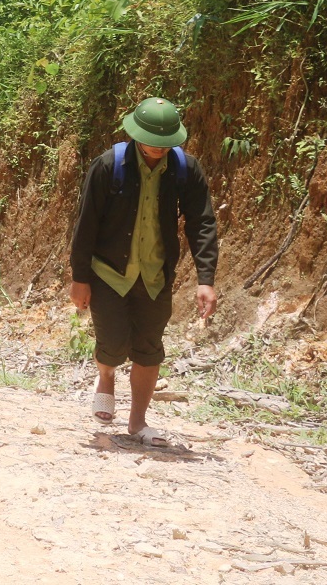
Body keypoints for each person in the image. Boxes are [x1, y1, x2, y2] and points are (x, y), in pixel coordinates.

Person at [68, 97, 220, 447]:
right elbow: (86, 223)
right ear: (135, 135)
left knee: (149, 348)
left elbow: (202, 223)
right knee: (112, 342)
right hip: (109, 272)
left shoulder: (186, 169)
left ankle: (138, 422)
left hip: (155, 276)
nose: (160, 150)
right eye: (154, 143)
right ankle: (105, 375)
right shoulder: (108, 166)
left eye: (168, 145)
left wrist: (205, 279)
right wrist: (80, 277)